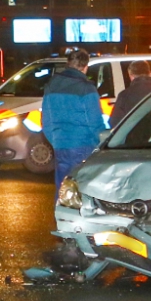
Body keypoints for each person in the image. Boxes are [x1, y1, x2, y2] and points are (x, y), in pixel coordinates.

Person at [41, 49, 105, 197]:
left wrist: (57, 140)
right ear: (85, 67)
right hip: (84, 145)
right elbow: (95, 122)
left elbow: (46, 121)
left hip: (60, 146)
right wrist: (101, 142)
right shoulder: (86, 88)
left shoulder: (51, 86)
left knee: (63, 189)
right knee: (84, 191)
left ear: (68, 64)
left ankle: (63, 217)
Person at [109, 60, 151, 128]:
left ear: (131, 76)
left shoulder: (124, 95)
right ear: (150, 74)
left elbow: (115, 123)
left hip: (134, 137)